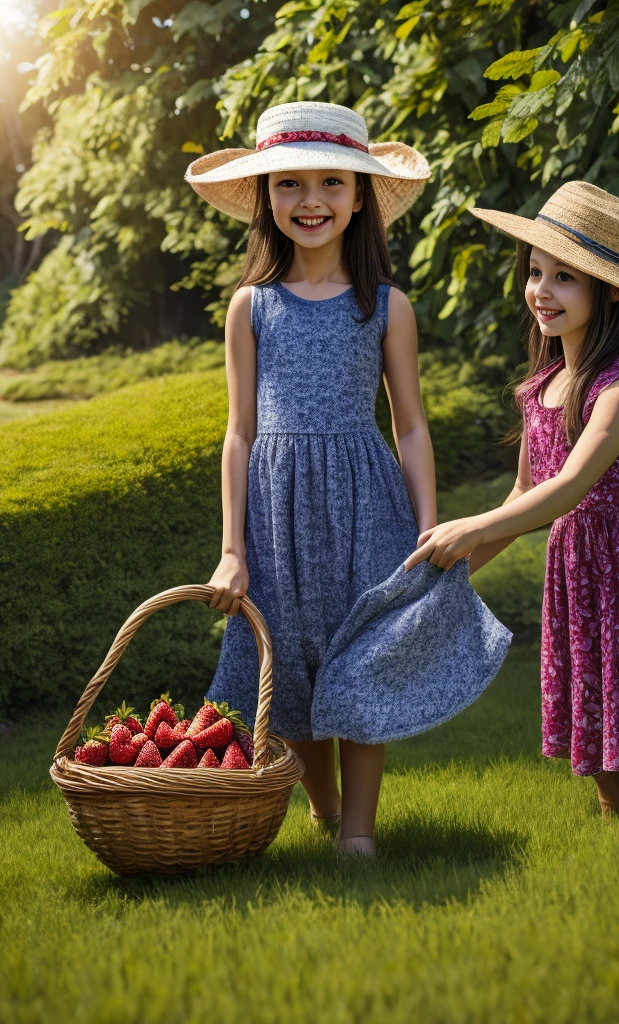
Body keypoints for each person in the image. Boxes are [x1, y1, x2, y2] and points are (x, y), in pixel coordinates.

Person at [186, 102, 510, 858]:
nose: (311, 200)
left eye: (331, 183)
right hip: (275, 513)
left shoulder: (387, 306)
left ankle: (357, 835)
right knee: (288, 666)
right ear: (266, 197)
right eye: (290, 184)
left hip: (368, 503)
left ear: (360, 197)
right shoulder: (251, 307)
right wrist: (232, 548)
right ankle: (323, 812)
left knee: (362, 657)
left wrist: (429, 522)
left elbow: (412, 424)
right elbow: (237, 433)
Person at [405, 181, 619, 816]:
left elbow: (568, 488)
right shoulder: (544, 388)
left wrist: (469, 524)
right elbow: (525, 493)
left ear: (612, 290)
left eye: (565, 278)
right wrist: (447, 576)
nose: (541, 290)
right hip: (580, 578)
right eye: (536, 273)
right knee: (605, 773)